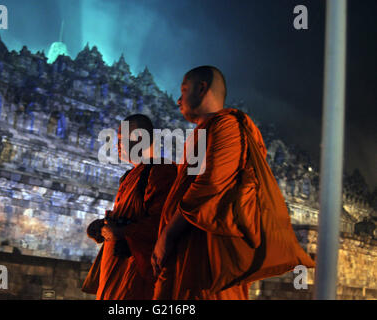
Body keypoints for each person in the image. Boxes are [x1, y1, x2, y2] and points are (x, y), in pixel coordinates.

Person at [151, 66, 315, 300]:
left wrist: (168, 233)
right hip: (184, 252)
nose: (178, 100)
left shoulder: (228, 126)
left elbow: (210, 186)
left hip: (208, 258)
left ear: (202, 88)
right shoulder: (202, 134)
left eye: (184, 90)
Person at [82, 114, 177, 300]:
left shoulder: (161, 171)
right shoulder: (129, 177)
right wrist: (103, 226)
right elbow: (129, 215)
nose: (116, 144)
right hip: (114, 270)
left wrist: (122, 231)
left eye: (120, 138)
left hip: (135, 275)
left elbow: (162, 224)